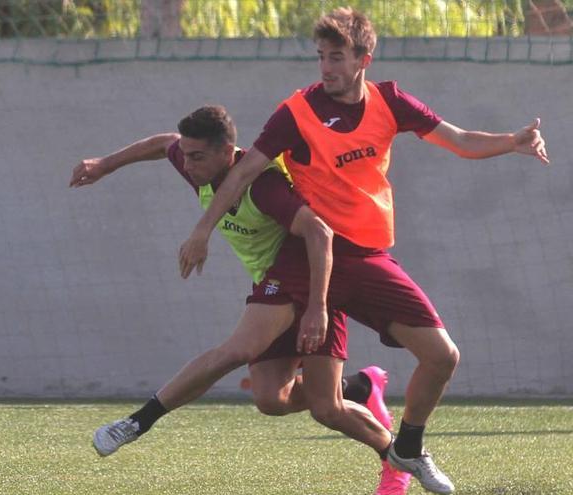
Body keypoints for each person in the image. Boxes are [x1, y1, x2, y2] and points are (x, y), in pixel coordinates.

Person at [177, 9, 549, 495]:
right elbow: (242, 173)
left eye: (336, 57)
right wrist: (202, 228)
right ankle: (147, 417)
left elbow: (458, 140)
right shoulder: (296, 111)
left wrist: (511, 142)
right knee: (275, 397)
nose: (326, 67)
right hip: (308, 257)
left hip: (368, 257)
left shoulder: (390, 101)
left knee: (442, 356)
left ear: (363, 60)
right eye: (320, 57)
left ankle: (408, 447)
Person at [71, 105, 410, 494]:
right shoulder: (195, 163)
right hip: (273, 285)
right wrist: (105, 164)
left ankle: (137, 421)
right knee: (279, 400)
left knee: (239, 351)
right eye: (186, 154)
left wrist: (317, 304)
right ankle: (365, 397)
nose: (188, 163)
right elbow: (161, 143)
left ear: (228, 152)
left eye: (197, 156)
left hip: (306, 278)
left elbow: (318, 233)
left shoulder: (264, 186)